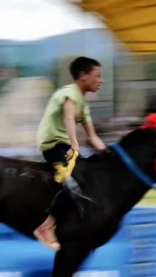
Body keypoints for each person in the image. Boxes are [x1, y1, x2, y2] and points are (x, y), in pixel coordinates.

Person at [33, 56, 107, 251]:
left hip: (66, 146)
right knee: (74, 180)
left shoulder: (83, 104)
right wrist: (74, 144)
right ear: (83, 76)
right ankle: (46, 226)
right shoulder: (70, 93)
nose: (101, 80)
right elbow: (68, 117)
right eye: (97, 76)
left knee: (91, 178)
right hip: (54, 145)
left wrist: (111, 156)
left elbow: (93, 137)